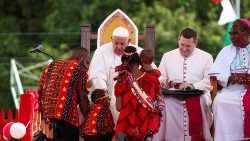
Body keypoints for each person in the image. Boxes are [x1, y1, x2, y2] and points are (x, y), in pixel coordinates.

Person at [154, 28, 213, 141]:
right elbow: (160, 75)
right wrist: (162, 82)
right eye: (182, 44)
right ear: (178, 40)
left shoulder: (207, 57)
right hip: (172, 94)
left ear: (195, 43)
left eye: (188, 46)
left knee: (200, 102)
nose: (184, 48)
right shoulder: (167, 56)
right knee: (164, 103)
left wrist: (193, 86)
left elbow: (208, 81)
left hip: (197, 94)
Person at [88, 27, 144, 124]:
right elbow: (97, 76)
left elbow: (151, 71)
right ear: (111, 39)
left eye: (122, 44)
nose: (118, 47)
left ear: (129, 41)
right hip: (108, 96)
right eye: (116, 43)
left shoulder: (139, 52)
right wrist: (103, 93)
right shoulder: (101, 52)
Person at [209, 19, 250, 141]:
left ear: (246, 32)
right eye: (231, 33)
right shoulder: (226, 50)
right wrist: (231, 77)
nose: (232, 36)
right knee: (219, 101)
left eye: (235, 33)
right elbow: (214, 72)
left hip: (248, 89)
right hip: (231, 88)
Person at [38, 47, 90, 141]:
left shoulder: (50, 65)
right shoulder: (81, 70)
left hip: (47, 116)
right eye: (87, 62)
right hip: (67, 117)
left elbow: (40, 91)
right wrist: (88, 118)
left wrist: (43, 114)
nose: (87, 67)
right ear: (81, 58)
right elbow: (83, 98)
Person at [114, 46, 163, 141]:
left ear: (124, 63)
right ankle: (148, 136)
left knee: (123, 132)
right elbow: (160, 97)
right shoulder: (152, 78)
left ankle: (124, 134)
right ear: (139, 61)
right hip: (146, 121)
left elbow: (119, 107)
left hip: (126, 122)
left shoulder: (121, 81)